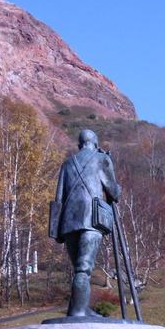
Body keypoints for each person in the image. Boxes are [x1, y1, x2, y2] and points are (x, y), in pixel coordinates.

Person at [49, 129, 121, 317]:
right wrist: (110, 165)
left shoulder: (67, 164)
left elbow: (58, 199)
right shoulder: (101, 159)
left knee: (79, 270)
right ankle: (79, 312)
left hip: (68, 224)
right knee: (83, 269)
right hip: (91, 221)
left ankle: (78, 308)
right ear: (95, 144)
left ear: (79, 144)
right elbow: (114, 192)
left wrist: (55, 230)